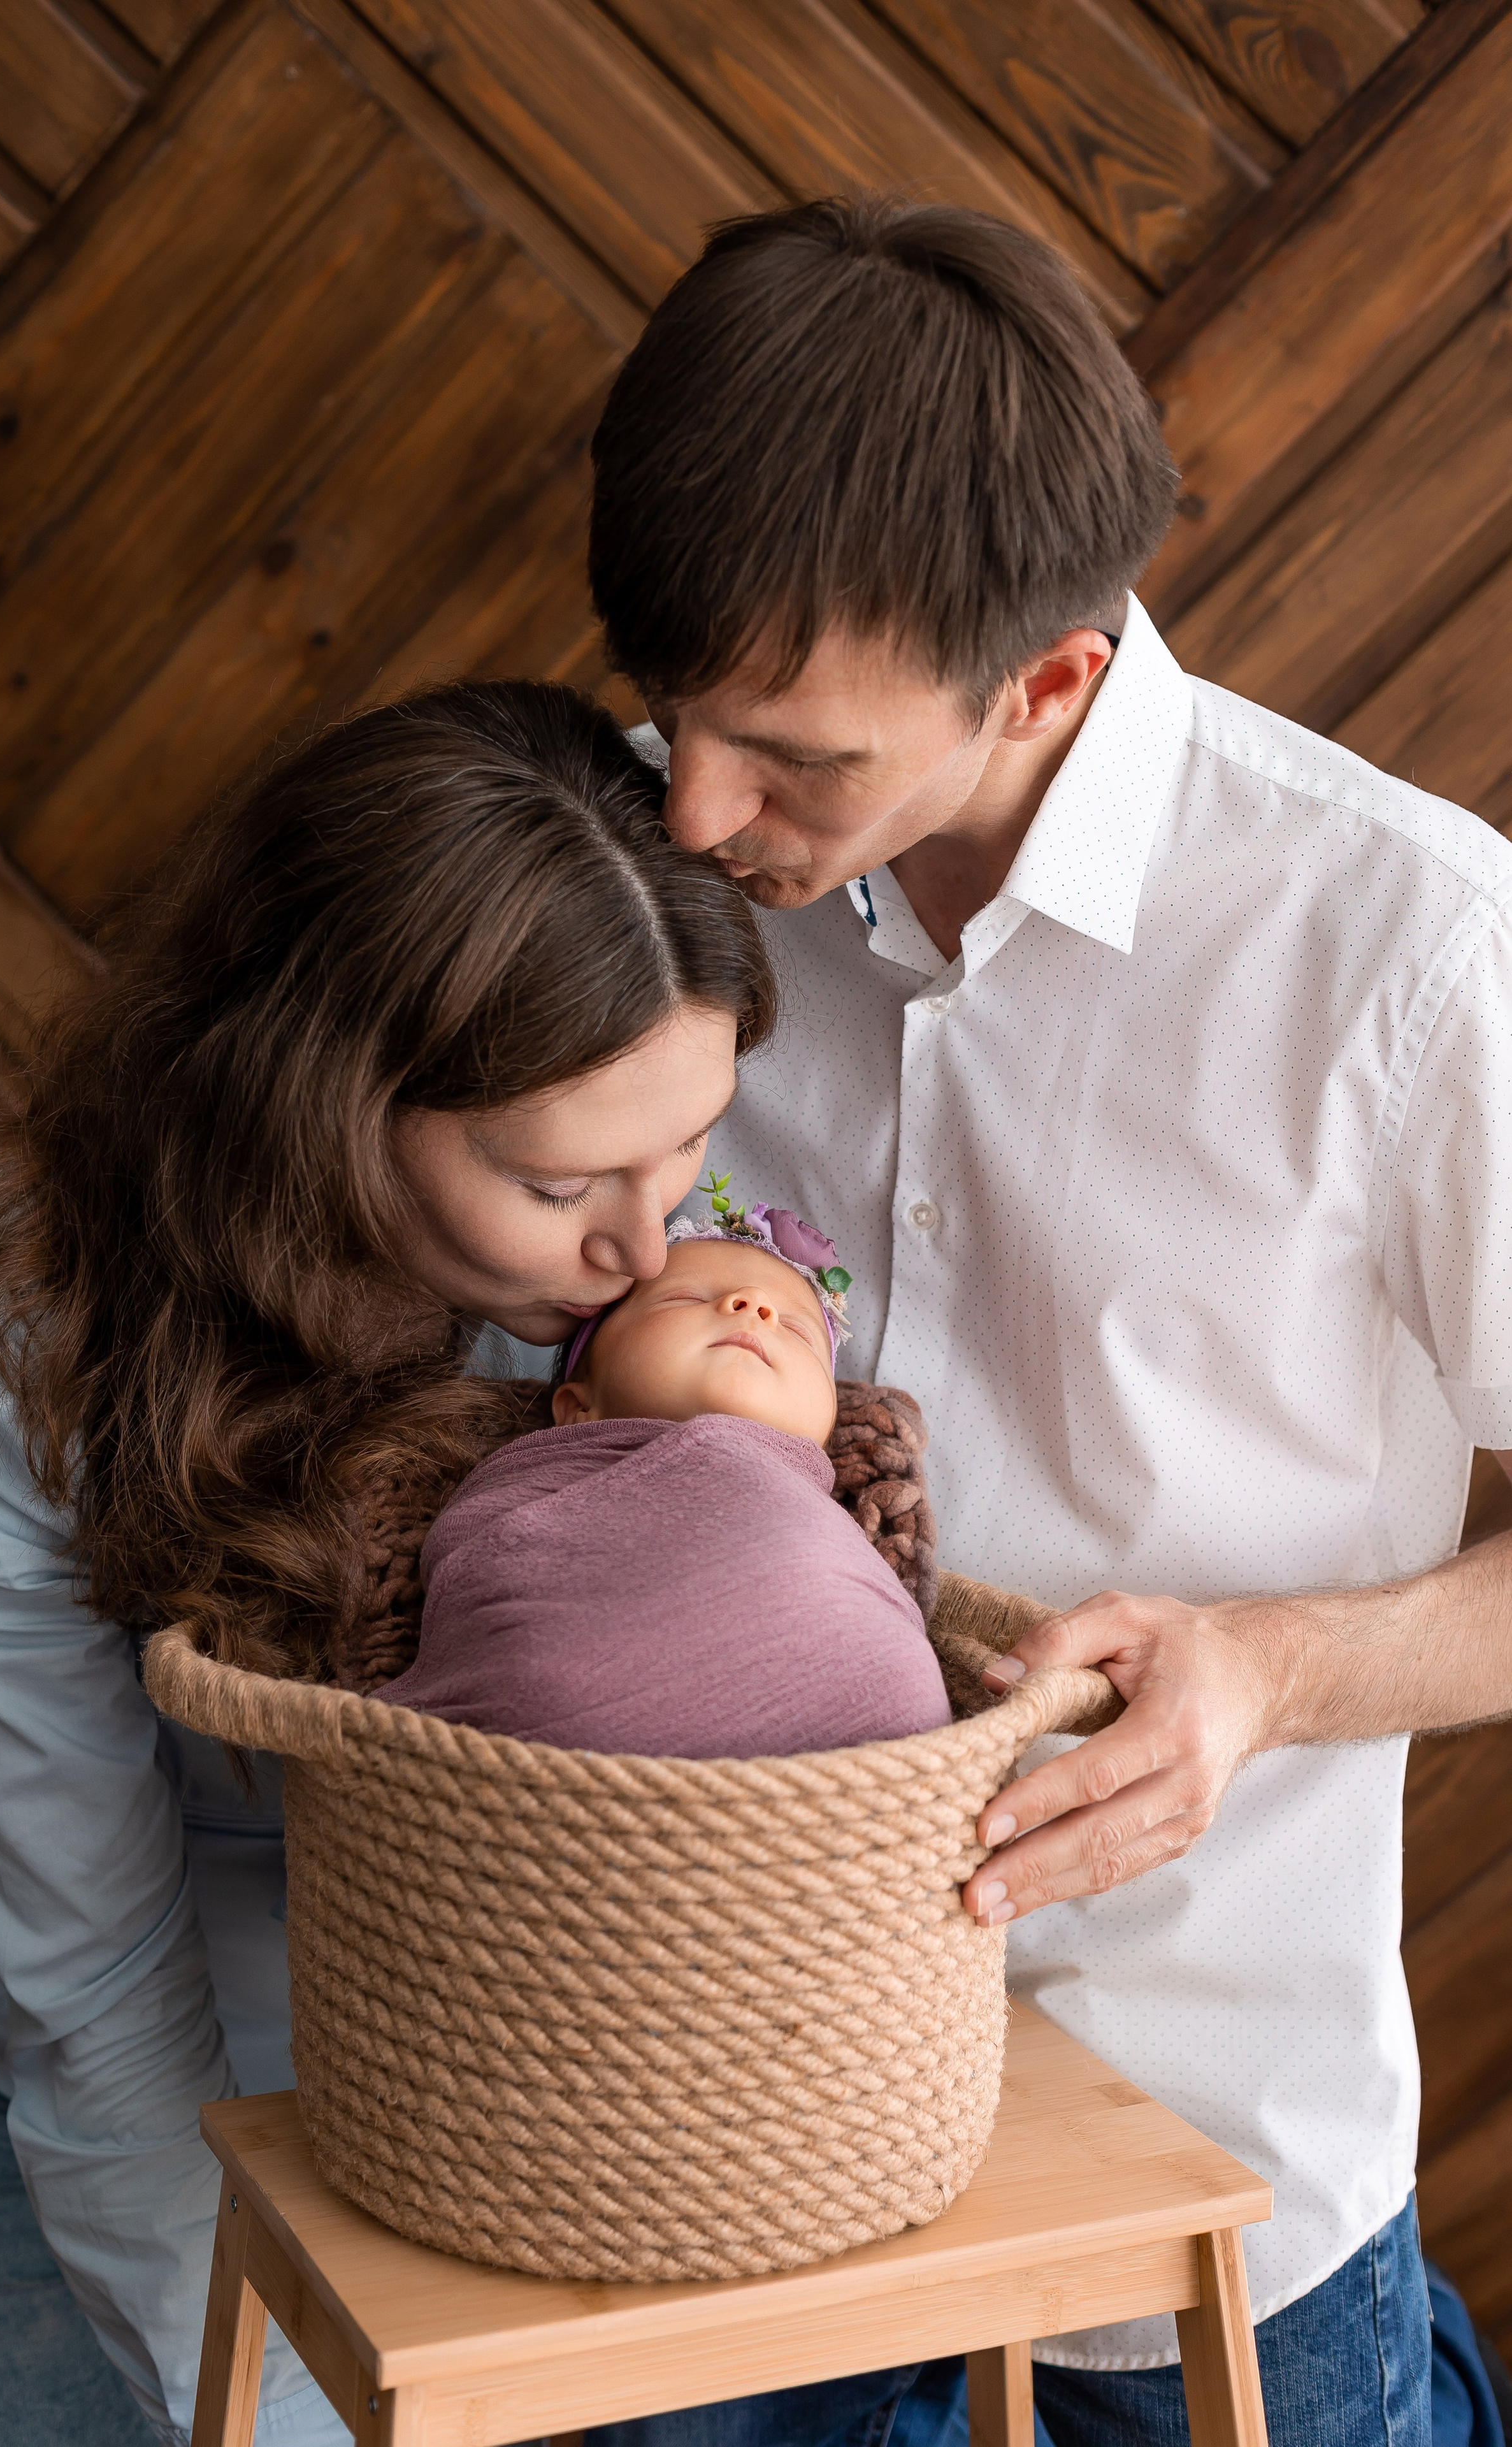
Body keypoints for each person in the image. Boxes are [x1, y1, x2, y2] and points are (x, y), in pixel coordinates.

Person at [586, 194, 1512, 2444]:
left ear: (1048, 683)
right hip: (705, 2157)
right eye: (671, 715)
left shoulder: (1416, 955)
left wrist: (1274, 1672)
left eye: (794, 760)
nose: (696, 817)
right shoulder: (645, 858)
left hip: (1207, 2229)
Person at [0, 681, 784, 2447]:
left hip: (428, 2056)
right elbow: (102, 1999)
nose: (644, 1244)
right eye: (560, 1182)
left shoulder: (618, 1266)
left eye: (688, 1148)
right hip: (10, 2060)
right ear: (328, 1100)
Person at [380, 1201, 953, 1756]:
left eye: (799, 1332)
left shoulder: (831, 1522)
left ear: (824, 1435)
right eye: (686, 1298)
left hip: (868, 1753)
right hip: (556, 1723)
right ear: (578, 1405)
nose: (755, 1307)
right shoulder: (542, 1476)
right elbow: (481, 1559)